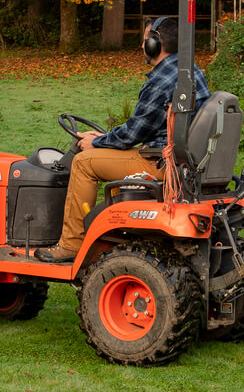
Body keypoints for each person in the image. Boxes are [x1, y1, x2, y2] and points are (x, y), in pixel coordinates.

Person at [35, 16, 210, 262]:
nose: (141, 45)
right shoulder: (190, 71)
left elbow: (131, 136)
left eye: (145, 39)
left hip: (161, 163)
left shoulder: (161, 82)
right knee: (96, 152)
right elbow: (145, 128)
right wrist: (105, 137)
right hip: (183, 161)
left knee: (84, 162)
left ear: (155, 45)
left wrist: (94, 143)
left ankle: (71, 244)